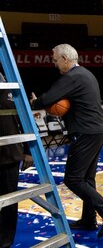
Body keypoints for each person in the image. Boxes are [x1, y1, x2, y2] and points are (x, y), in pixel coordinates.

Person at [30, 44, 103, 238]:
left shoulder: (72, 76)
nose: (55, 64)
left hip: (85, 133)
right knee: (87, 179)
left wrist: (34, 102)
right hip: (96, 131)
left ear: (65, 58)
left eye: (55, 60)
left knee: (72, 179)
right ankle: (89, 220)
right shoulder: (86, 74)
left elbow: (49, 99)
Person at [0, 72, 33, 248]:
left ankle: (5, 242)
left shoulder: (13, 87)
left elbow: (25, 120)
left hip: (10, 154)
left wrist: (28, 151)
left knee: (9, 202)